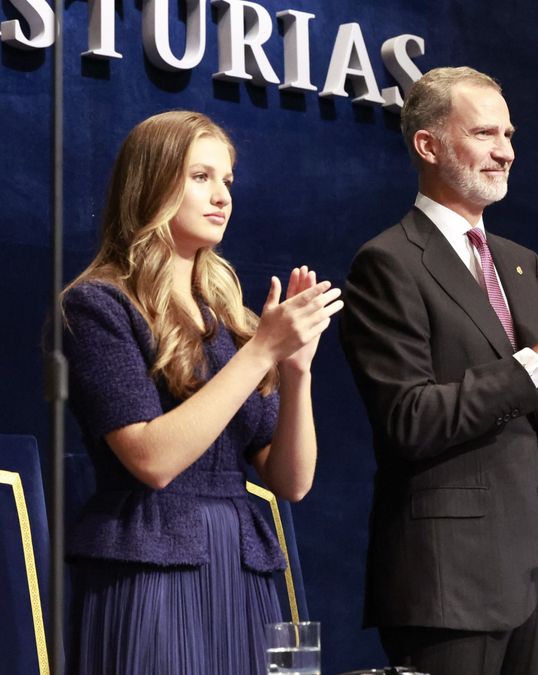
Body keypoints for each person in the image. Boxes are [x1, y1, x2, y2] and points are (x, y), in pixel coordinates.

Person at [339, 66, 538, 675]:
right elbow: (408, 419)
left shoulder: (521, 263)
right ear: (428, 144)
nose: (505, 152)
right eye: (486, 134)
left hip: (536, 581)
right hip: (446, 584)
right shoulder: (388, 263)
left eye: (510, 135)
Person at [60, 111, 342, 673]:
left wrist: (296, 370)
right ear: (152, 183)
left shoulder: (230, 321)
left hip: (241, 566)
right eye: (200, 177)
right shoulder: (98, 305)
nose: (222, 197)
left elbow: (292, 483)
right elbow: (153, 460)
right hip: (149, 564)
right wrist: (262, 352)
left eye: (228, 181)